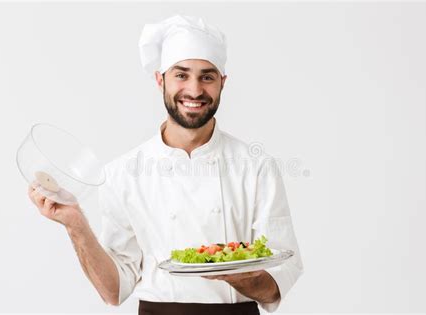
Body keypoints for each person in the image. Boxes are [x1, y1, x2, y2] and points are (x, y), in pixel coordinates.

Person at [28, 15, 304, 315]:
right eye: (181, 75)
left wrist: (236, 275)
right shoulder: (123, 172)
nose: (195, 91)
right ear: (160, 79)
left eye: (207, 77)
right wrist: (75, 224)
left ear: (222, 83)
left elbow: (279, 277)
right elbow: (113, 290)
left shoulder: (256, 167)